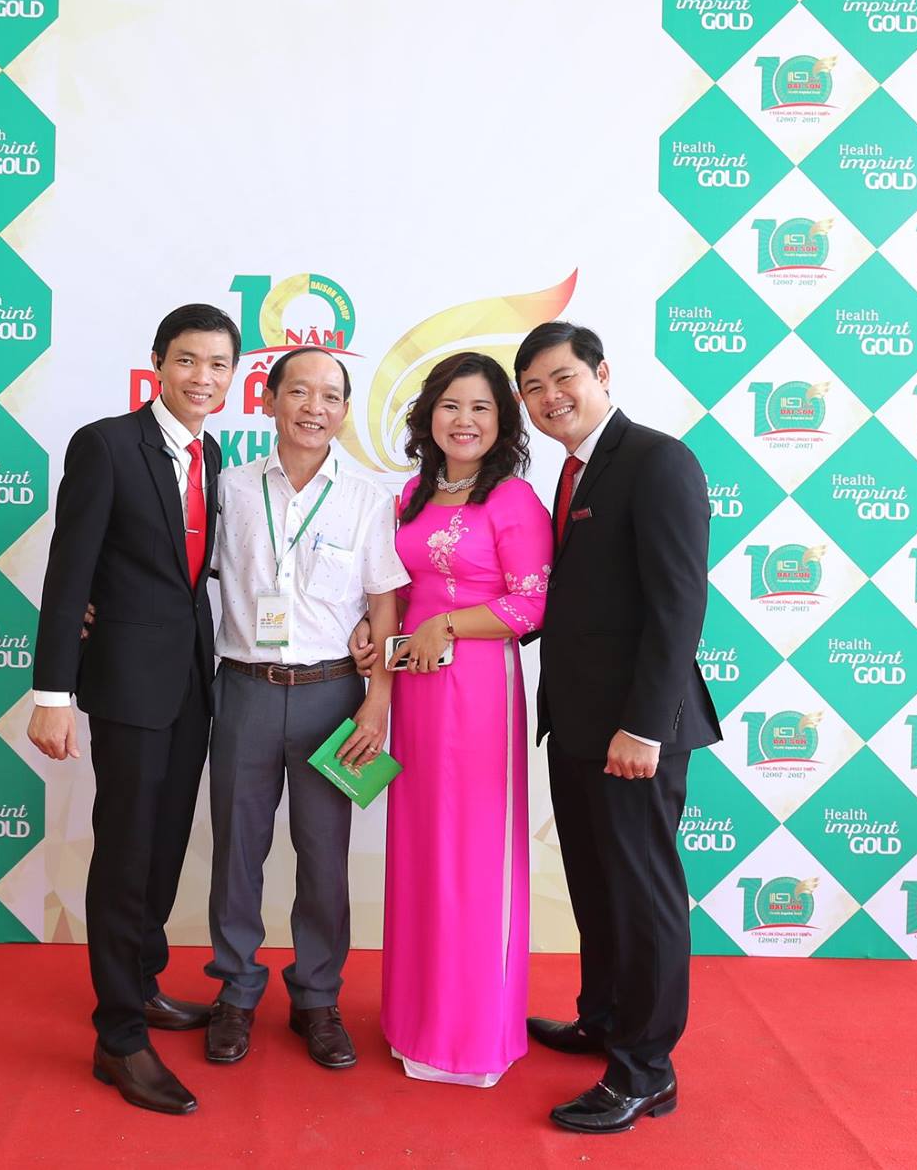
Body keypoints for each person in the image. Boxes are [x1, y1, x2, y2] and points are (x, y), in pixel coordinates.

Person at [28, 303, 241, 1116]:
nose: (202, 377)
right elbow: (69, 574)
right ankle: (117, 1036)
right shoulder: (106, 444)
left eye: (218, 365)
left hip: (191, 682)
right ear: (157, 363)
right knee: (124, 854)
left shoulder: (211, 454)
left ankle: (142, 982)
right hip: (124, 685)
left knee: (164, 847)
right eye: (187, 360)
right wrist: (53, 694)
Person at [514, 321, 720, 1134]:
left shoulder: (657, 459)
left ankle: (645, 1069)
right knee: (596, 886)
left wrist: (643, 726)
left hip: (635, 732)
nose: (550, 396)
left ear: (602, 374)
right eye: (533, 387)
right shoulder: (571, 472)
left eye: (563, 377)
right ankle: (602, 1018)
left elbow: (679, 605)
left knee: (643, 895)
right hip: (577, 724)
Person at [203, 347, 407, 1070]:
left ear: (344, 411)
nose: (313, 407)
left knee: (324, 857)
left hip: (333, 695)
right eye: (298, 391)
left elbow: (385, 603)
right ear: (268, 400)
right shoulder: (228, 487)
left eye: (329, 396)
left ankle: (317, 997)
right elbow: (181, 569)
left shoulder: (369, 497)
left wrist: (377, 702)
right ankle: (235, 992)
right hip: (245, 690)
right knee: (237, 851)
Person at [381, 351, 552, 1087]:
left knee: (472, 857)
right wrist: (374, 633)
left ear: (502, 421)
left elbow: (533, 602)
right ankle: (414, 1021)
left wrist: (446, 625)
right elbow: (393, 586)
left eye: (481, 407)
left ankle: (472, 1034)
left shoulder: (512, 500)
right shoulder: (411, 495)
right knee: (420, 849)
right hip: (412, 691)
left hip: (479, 693)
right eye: (451, 405)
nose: (465, 420)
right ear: (429, 415)